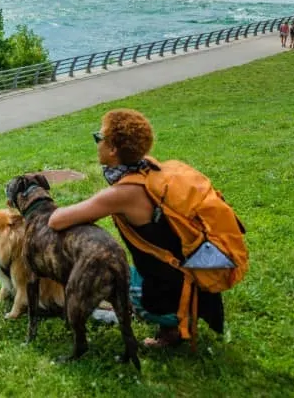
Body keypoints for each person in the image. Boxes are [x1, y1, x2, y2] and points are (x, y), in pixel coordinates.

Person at [48, 109, 225, 349]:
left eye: (98, 138)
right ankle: (176, 317)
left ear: (112, 150)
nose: (96, 143)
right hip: (190, 270)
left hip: (171, 284)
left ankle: (171, 323)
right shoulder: (148, 168)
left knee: (116, 279)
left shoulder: (123, 194)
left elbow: (56, 220)